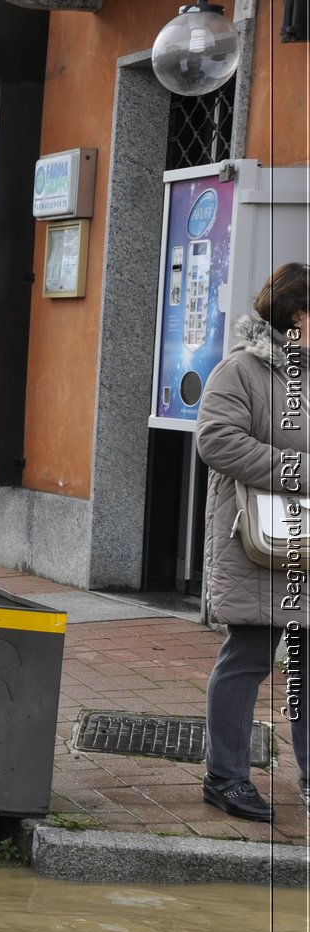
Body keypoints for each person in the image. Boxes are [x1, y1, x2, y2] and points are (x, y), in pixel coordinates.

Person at [196, 261, 309, 821]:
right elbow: (217, 441)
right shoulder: (241, 371)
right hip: (259, 543)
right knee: (250, 656)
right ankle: (227, 776)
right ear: (297, 317)